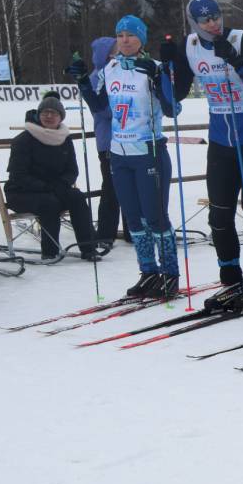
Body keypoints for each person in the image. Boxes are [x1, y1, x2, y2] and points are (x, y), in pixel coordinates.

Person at [162, 0, 243, 311]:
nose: (213, 24)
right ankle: (231, 282)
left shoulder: (242, 40)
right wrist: (167, 67)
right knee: (219, 216)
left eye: (216, 16)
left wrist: (237, 61)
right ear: (194, 23)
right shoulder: (190, 47)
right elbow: (174, 98)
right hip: (220, 141)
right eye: (205, 20)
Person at [76, 16, 181, 296]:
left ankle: (170, 274)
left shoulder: (154, 67)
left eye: (131, 35)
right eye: (120, 35)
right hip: (119, 155)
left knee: (155, 218)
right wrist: (83, 82)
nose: (124, 40)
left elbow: (173, 110)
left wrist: (158, 77)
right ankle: (148, 272)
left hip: (148, 152)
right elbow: (100, 107)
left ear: (141, 39)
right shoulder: (110, 68)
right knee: (134, 220)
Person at [4, 92, 98, 262]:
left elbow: (72, 170)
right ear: (38, 115)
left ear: (60, 117)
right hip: (22, 193)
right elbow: (18, 176)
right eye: (45, 112)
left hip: (54, 189)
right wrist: (45, 187)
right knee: (49, 203)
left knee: (77, 196)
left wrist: (62, 184)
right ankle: (49, 252)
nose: (49, 116)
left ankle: (89, 248)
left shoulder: (65, 139)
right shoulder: (23, 140)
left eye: (53, 113)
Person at [85, 36, 126, 249]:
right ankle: (105, 234)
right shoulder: (96, 77)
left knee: (130, 187)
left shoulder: (119, 72)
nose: (120, 52)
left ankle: (132, 230)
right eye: (116, 49)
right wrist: (126, 107)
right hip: (108, 141)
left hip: (127, 139)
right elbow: (102, 111)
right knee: (111, 189)